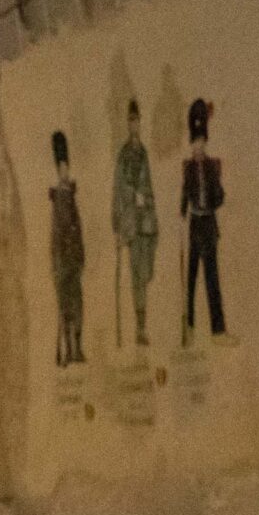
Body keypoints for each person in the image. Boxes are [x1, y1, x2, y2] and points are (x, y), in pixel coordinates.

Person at [181, 98, 231, 346]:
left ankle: (218, 331)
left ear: (205, 143)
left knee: (212, 280)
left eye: (200, 143)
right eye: (194, 143)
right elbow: (184, 196)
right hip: (193, 226)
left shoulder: (212, 167)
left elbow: (220, 197)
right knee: (189, 280)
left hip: (208, 225)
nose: (197, 147)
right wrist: (181, 214)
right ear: (191, 144)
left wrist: (215, 193)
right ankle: (188, 329)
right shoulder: (188, 169)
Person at [113, 98, 160, 346]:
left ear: (140, 124)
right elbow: (117, 191)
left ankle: (142, 326)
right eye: (131, 122)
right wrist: (117, 228)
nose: (134, 126)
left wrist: (147, 201)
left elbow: (150, 187)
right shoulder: (123, 155)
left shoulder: (144, 153)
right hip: (131, 225)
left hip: (147, 224)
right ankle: (140, 328)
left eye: (137, 121)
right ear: (127, 124)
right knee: (136, 278)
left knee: (146, 273)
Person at [51, 130, 88, 365]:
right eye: (61, 168)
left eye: (67, 167)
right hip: (63, 264)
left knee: (78, 305)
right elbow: (55, 235)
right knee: (65, 308)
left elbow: (78, 229)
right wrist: (56, 264)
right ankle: (67, 352)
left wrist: (81, 255)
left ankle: (78, 350)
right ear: (58, 170)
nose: (65, 172)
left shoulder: (71, 197)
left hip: (74, 262)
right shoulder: (57, 201)